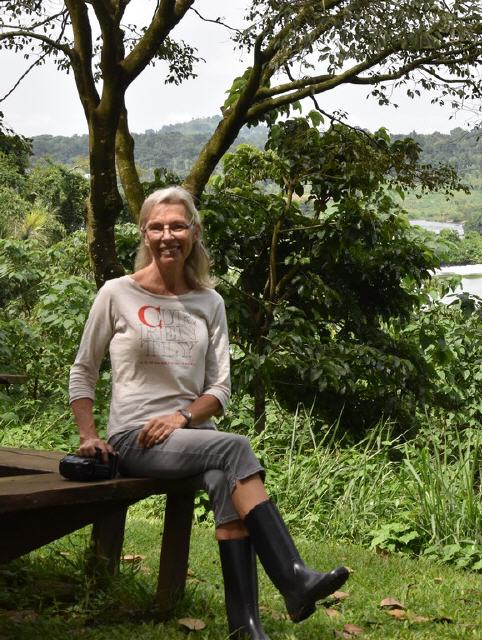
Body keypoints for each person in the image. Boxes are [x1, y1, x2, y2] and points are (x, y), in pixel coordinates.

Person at [68, 186, 348, 639]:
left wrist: (182, 417)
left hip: (195, 439)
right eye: (157, 227)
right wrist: (89, 434)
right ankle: (293, 578)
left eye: (177, 225)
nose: (167, 235)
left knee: (225, 478)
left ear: (194, 232)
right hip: (134, 439)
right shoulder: (116, 293)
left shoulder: (209, 302)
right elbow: (83, 370)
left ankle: (246, 626)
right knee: (235, 449)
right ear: (144, 233)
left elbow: (220, 389)